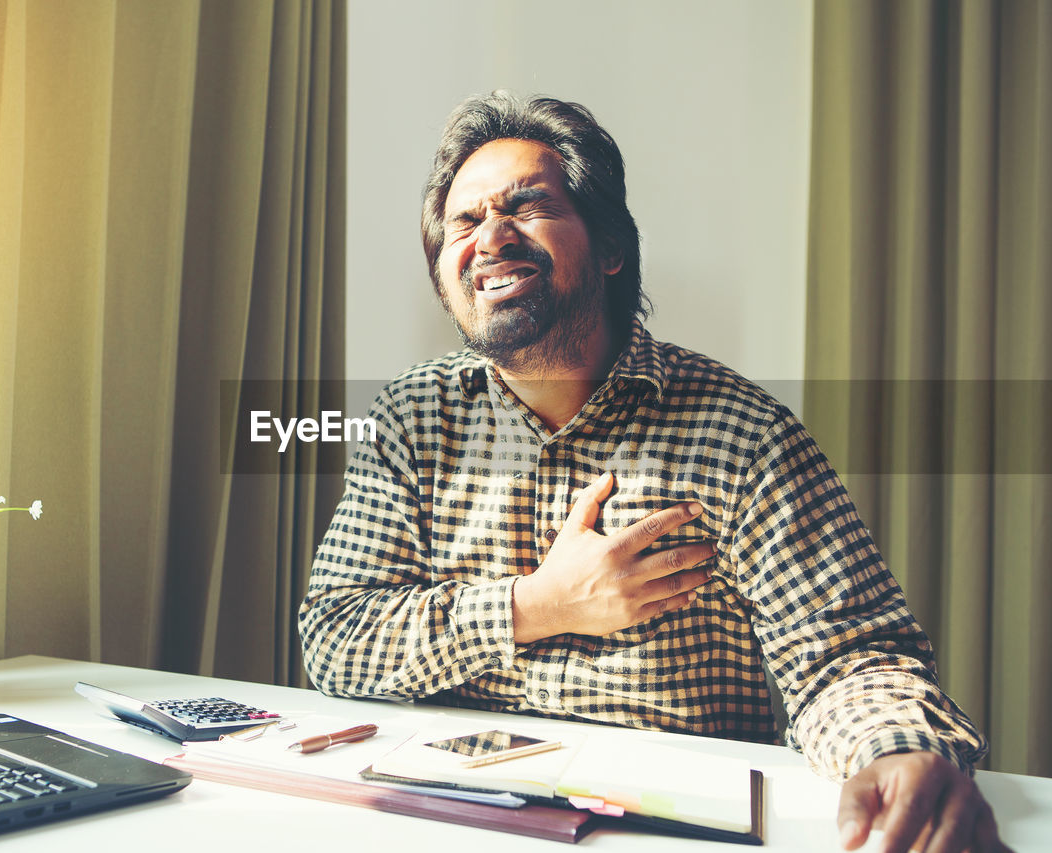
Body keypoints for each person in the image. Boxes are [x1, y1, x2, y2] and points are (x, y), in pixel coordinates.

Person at [298, 92, 1008, 853]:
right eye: (464, 223)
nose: (491, 236)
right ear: (446, 280)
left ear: (610, 247)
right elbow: (337, 635)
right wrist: (537, 604)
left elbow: (848, 658)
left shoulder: (741, 434)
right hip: (444, 821)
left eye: (527, 206)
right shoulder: (412, 416)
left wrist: (895, 748)